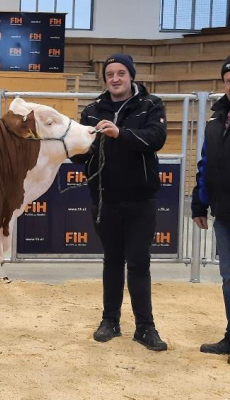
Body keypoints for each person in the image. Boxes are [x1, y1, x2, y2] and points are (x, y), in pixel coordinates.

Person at [71, 53, 168, 351]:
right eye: (110, 73)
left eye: (121, 73)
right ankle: (110, 321)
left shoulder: (151, 105)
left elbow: (156, 138)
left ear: (131, 76)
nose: (115, 78)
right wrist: (78, 148)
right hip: (105, 199)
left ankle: (145, 327)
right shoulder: (91, 111)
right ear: (105, 79)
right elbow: (79, 152)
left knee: (139, 262)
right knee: (112, 260)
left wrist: (119, 133)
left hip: (141, 200)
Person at [191, 55, 230, 364]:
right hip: (224, 215)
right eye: (228, 80)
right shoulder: (216, 124)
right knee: (229, 278)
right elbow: (205, 166)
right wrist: (199, 203)